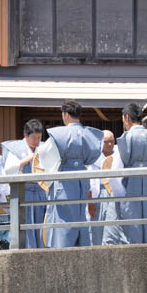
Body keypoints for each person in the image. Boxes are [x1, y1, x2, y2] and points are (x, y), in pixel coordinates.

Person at [44, 100, 103, 248]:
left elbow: (45, 155)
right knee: (80, 216)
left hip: (64, 178)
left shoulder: (59, 134)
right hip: (82, 177)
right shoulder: (90, 133)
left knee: (63, 218)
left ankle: (62, 253)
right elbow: (93, 157)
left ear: (65, 115)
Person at [117, 103, 147, 245]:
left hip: (130, 188)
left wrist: (121, 194)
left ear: (127, 118)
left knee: (130, 231)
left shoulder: (126, 138)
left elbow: (116, 170)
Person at [1, 119, 48, 249]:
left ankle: (42, 248)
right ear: (25, 135)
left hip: (40, 192)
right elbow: (8, 170)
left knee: (41, 224)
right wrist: (24, 161)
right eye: (34, 137)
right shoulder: (15, 149)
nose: (37, 141)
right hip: (24, 192)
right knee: (24, 224)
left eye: (39, 137)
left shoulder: (44, 148)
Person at [88, 130, 124, 246]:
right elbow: (89, 181)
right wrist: (90, 202)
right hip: (100, 194)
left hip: (117, 191)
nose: (109, 144)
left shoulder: (120, 153)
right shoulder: (94, 157)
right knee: (98, 228)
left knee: (117, 227)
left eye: (111, 141)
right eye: (106, 142)